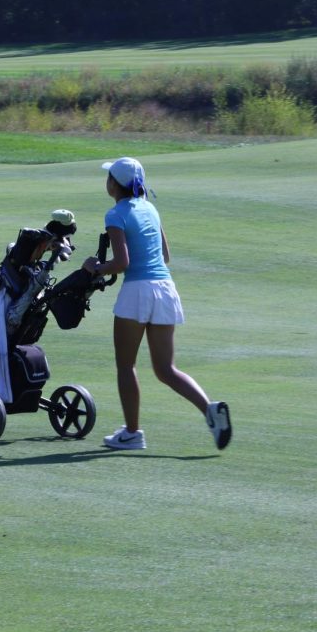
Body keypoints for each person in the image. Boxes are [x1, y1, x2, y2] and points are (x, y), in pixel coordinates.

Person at [82, 157, 231, 451]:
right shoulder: (151, 208)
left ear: (114, 184)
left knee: (126, 365)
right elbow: (164, 256)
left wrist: (95, 268)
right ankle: (210, 411)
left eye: (109, 177)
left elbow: (122, 263)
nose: (107, 181)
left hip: (137, 292)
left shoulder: (115, 214)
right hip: (165, 289)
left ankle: (133, 433)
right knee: (166, 369)